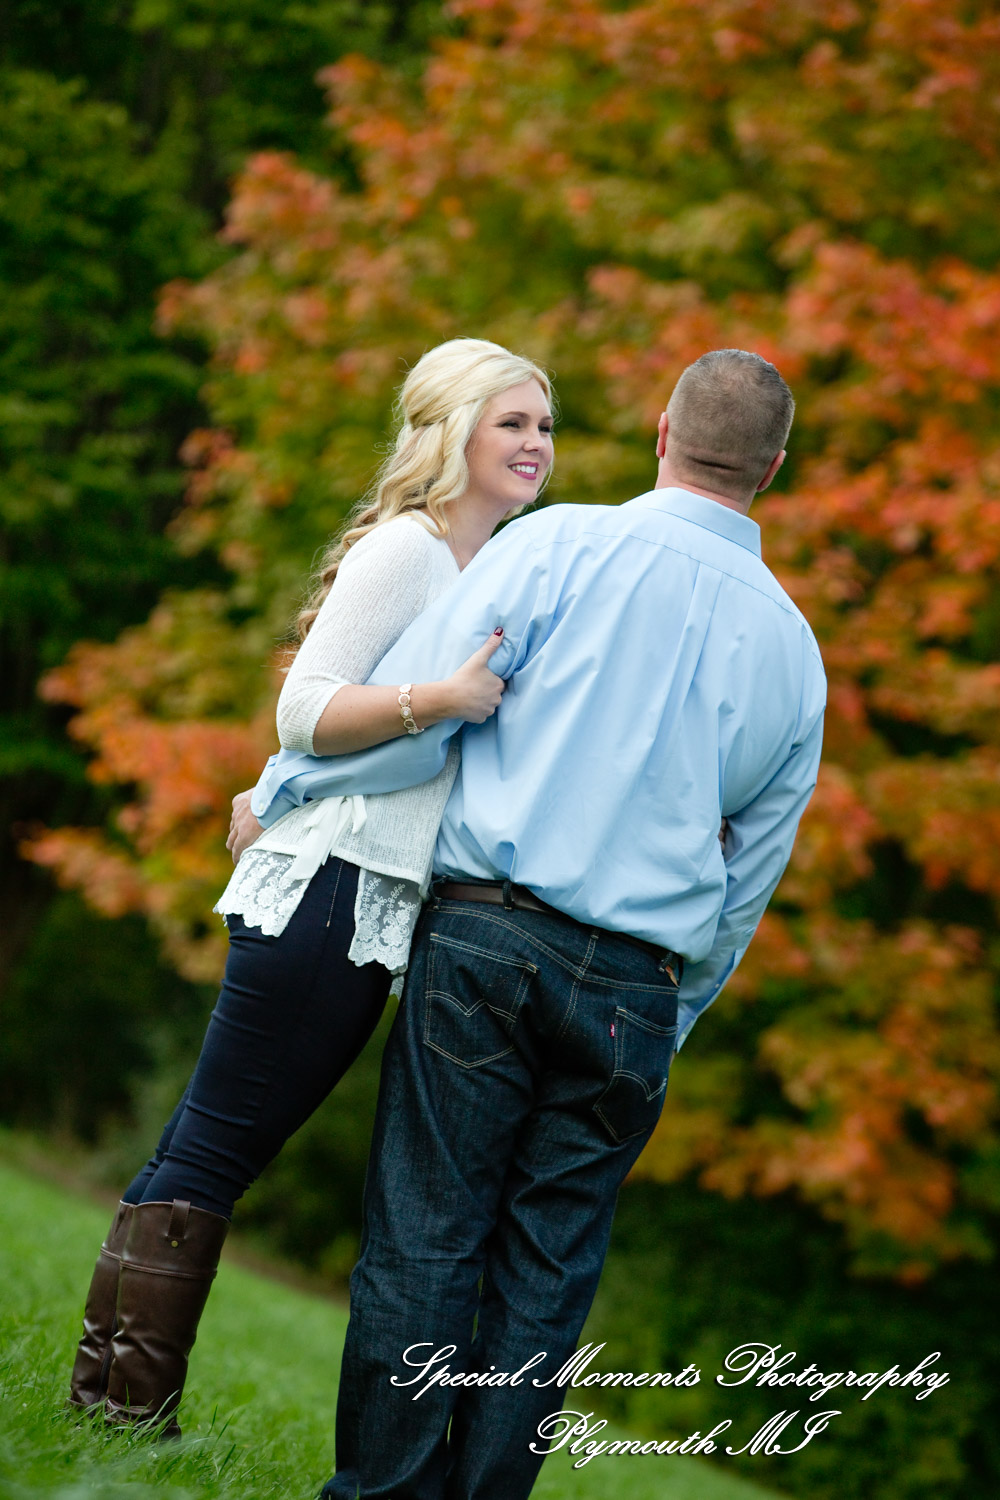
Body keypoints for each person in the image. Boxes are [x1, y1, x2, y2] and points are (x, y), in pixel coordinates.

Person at [240, 348, 827, 1500]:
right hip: (636, 990)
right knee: (547, 1274)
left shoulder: (556, 547)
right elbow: (751, 874)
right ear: (775, 466)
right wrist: (678, 1007)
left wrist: (289, 787)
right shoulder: (796, 654)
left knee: (427, 1235)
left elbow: (422, 717)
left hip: (486, 942)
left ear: (662, 428)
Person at [66, 337, 556, 1436]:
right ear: (452, 433)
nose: (534, 445)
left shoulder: (489, 567)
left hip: (363, 890)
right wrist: (441, 697)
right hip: (331, 888)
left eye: (543, 426)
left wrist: (287, 784)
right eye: (511, 423)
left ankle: (108, 1400)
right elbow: (307, 707)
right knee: (215, 1149)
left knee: (209, 1144)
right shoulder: (408, 550)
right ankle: (122, 1414)